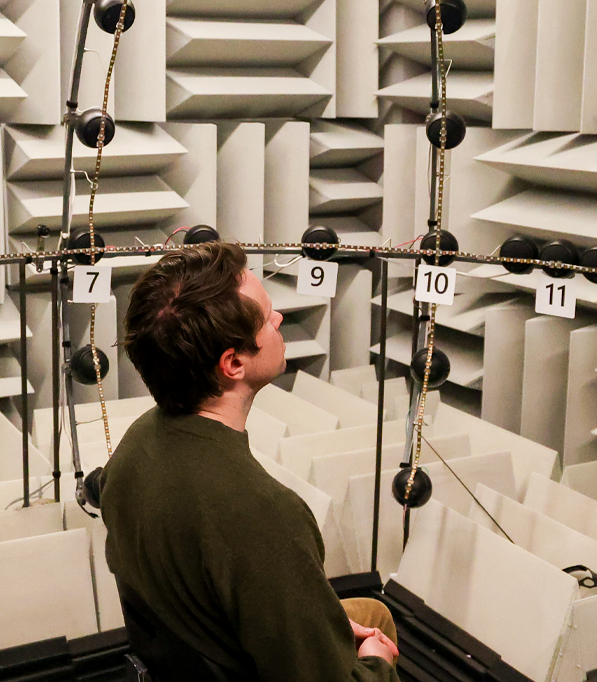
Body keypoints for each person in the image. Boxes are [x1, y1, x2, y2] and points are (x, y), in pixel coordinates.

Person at [101, 242, 400, 682]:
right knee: (380, 628)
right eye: (266, 317)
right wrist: (376, 663)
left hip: (190, 653)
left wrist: (320, 625)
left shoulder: (135, 445)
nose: (279, 319)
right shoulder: (267, 516)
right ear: (234, 362)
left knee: (369, 609)